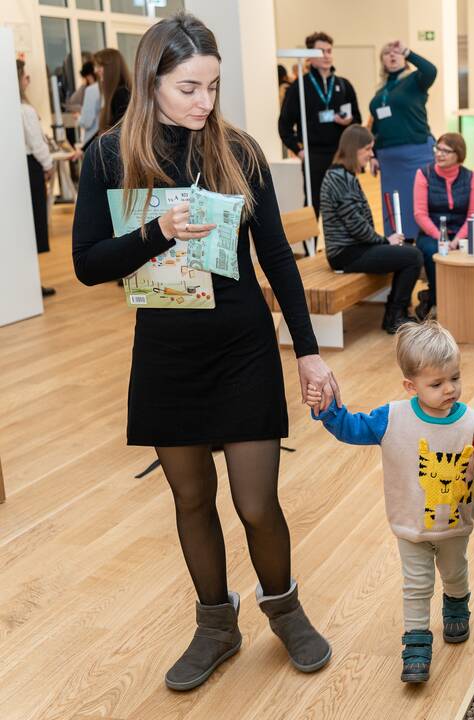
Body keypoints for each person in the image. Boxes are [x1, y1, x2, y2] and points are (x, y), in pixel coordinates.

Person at [71, 13, 337, 691]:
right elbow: (88, 265)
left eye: (213, 86)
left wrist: (307, 353)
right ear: (153, 78)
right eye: (190, 87)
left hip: (243, 347)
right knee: (191, 501)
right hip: (165, 355)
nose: (205, 102)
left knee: (256, 503)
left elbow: (276, 257)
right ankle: (216, 626)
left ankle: (285, 610)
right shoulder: (108, 157)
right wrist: (155, 231)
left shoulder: (238, 151)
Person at [306, 320, 474, 685]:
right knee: (415, 586)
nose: (449, 389)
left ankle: (456, 605)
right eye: (436, 384)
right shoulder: (391, 418)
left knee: (454, 573)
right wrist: (328, 411)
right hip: (409, 526)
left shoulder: (473, 424)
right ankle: (416, 645)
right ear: (410, 385)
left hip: (453, 526)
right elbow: (351, 428)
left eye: (455, 378)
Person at [321, 125, 423, 334]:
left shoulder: (344, 175)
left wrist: (384, 241)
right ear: (354, 149)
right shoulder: (338, 178)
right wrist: (385, 241)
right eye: (367, 149)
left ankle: (397, 310)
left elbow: (358, 224)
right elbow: (356, 225)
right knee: (412, 256)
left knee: (408, 253)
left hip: (355, 248)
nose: (370, 155)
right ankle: (394, 315)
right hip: (346, 254)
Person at [278, 31, 361, 217]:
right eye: (321, 51)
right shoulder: (299, 87)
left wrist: (349, 122)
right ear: (310, 56)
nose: (326, 55)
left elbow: (358, 120)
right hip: (313, 156)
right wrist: (299, 150)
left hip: (341, 156)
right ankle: (311, 246)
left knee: (346, 205)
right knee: (313, 205)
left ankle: (345, 246)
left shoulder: (344, 85)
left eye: (329, 50)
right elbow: (284, 125)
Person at [369, 40, 437, 240]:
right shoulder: (381, 91)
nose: (392, 55)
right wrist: (373, 153)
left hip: (416, 153)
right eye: (387, 52)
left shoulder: (415, 80)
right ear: (382, 60)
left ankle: (426, 244)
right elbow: (377, 125)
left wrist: (409, 52)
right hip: (389, 159)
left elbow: (431, 70)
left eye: (396, 52)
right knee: (394, 206)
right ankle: (399, 246)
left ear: (404, 58)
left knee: (419, 202)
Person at [412, 132, 474, 320]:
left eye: (446, 151)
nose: (439, 154)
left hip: (461, 234)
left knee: (471, 252)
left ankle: (459, 303)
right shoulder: (423, 174)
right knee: (434, 252)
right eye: (438, 149)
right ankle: (439, 302)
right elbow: (420, 214)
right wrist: (441, 238)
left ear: (458, 154)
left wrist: (457, 239)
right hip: (431, 233)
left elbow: (473, 214)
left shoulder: (471, 178)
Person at [17, 60, 57, 298]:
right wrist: (49, 164)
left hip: (17, 169)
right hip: (30, 169)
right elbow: (37, 143)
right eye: (25, 76)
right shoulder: (25, 110)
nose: (28, 80)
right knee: (32, 227)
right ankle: (32, 284)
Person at [80, 48, 131, 153]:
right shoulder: (118, 93)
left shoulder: (122, 94)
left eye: (99, 66)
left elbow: (116, 131)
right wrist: (83, 149)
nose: (95, 70)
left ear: (111, 68)